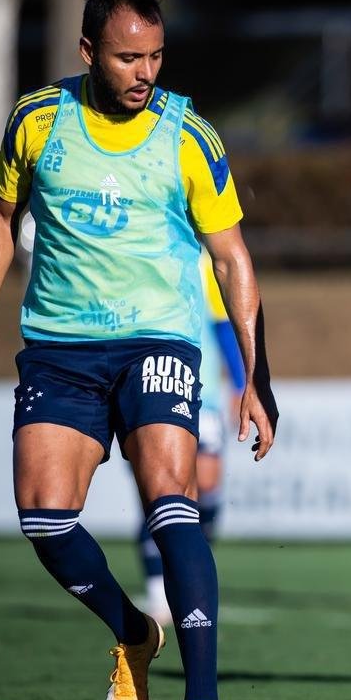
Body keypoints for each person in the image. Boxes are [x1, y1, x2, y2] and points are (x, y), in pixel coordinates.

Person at [0, 0, 277, 700]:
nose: (146, 72)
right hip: (61, 349)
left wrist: (257, 376)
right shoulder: (38, 119)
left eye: (156, 56)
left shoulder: (189, 134)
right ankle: (133, 630)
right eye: (129, 57)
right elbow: (0, 218)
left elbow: (232, 259)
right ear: (87, 53)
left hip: (159, 340)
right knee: (43, 517)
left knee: (173, 498)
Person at [139, 249, 247, 627]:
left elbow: (222, 325)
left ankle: (188, 569)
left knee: (205, 491)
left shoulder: (204, 263)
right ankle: (158, 595)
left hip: (206, 397)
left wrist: (240, 382)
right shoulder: (141, 253)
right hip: (152, 388)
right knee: (161, 490)